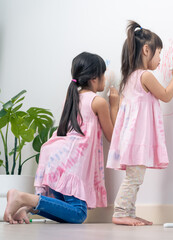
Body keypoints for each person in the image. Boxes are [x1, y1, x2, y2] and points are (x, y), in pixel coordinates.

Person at [3, 52, 119, 224]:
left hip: (57, 156)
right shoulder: (98, 102)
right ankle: (22, 197)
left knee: (63, 207)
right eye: (103, 73)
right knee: (79, 214)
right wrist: (115, 105)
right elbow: (112, 136)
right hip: (73, 162)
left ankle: (26, 208)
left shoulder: (72, 97)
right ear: (94, 78)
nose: (105, 77)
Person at [107, 20, 173, 226]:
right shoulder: (145, 76)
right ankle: (121, 212)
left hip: (131, 138)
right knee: (134, 178)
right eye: (159, 53)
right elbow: (166, 95)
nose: (160, 59)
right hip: (137, 139)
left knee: (135, 177)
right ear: (147, 50)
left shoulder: (130, 77)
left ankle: (128, 213)